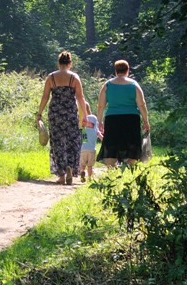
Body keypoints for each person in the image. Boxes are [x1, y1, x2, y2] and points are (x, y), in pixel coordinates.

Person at [37, 50, 88, 185]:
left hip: (55, 113)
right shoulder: (74, 77)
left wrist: (39, 114)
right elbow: (80, 97)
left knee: (57, 142)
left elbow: (45, 97)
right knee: (72, 140)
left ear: (59, 63)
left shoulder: (51, 77)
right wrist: (85, 115)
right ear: (70, 63)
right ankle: (70, 166)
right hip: (70, 113)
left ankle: (61, 174)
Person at [96, 59, 150, 168]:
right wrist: (146, 121)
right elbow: (141, 105)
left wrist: (100, 121)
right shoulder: (134, 85)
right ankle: (129, 169)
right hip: (131, 119)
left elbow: (101, 105)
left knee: (111, 144)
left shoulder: (107, 85)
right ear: (128, 71)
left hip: (112, 118)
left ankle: (111, 170)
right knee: (132, 143)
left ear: (116, 71)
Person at [79, 101, 100, 181]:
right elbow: (101, 138)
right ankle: (90, 178)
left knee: (82, 164)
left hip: (83, 149)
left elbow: (83, 139)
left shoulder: (84, 130)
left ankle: (81, 171)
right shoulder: (96, 131)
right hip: (92, 150)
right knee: (90, 166)